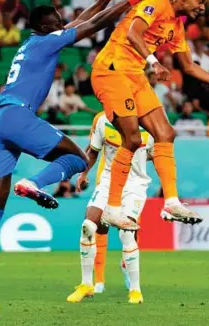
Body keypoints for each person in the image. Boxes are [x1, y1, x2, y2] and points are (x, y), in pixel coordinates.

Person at [0, 0, 154, 319]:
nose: (62, 15)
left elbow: (83, 19)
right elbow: (93, 24)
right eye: (55, 13)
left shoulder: (33, 43)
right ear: (44, 22)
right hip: (16, 116)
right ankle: (35, 183)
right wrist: (131, 1)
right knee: (77, 158)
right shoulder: (45, 41)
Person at [90, 0, 209, 230]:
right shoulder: (156, 3)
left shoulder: (177, 26)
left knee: (166, 132)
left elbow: (188, 67)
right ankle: (112, 209)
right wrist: (154, 62)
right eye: (201, 1)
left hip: (134, 75)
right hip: (111, 70)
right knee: (131, 139)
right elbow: (133, 32)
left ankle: (171, 201)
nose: (202, 8)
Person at [67, 111, 154, 305]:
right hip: (108, 181)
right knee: (88, 226)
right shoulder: (102, 119)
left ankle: (135, 290)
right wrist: (84, 174)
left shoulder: (149, 121)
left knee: (127, 235)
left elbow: (157, 156)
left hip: (134, 185)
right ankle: (87, 284)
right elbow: (93, 150)